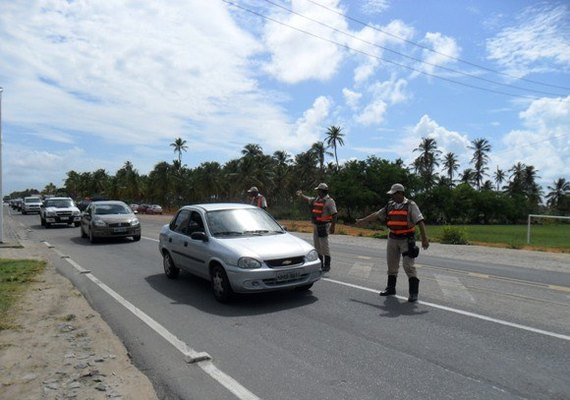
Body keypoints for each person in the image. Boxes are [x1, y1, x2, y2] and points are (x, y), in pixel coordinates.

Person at [355, 183, 429, 302]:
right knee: (392, 265)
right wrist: (363, 221)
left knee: (408, 266)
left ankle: (413, 293)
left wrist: (425, 239)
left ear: (400, 193)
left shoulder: (410, 205)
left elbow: (420, 221)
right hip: (393, 238)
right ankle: (391, 288)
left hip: (406, 239)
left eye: (393, 194)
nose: (392, 197)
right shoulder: (390, 205)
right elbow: (377, 214)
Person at [296, 183, 337, 272]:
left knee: (324, 246)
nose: (317, 192)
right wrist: (301, 195)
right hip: (316, 225)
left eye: (319, 190)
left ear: (322, 191)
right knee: (317, 246)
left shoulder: (330, 201)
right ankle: (320, 264)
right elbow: (307, 199)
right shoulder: (317, 199)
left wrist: (333, 226)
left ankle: (327, 265)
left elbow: (334, 214)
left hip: (324, 226)